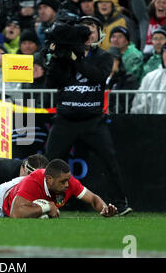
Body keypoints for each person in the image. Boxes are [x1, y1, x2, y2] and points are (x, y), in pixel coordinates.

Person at [44, 15, 132, 216]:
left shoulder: (104, 57)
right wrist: (57, 57)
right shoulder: (63, 56)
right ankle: (45, 202)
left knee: (110, 160)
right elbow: (51, 83)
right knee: (50, 163)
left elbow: (97, 76)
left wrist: (75, 58)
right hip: (65, 119)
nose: (88, 31)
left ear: (99, 34)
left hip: (93, 121)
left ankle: (120, 203)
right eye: (84, 28)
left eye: (92, 27)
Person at [0, 159, 118, 218]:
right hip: (1, 200)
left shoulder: (69, 181)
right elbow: (15, 214)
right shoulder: (34, 180)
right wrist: (47, 207)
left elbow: (93, 199)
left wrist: (105, 209)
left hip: (23, 194)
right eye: (63, 182)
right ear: (49, 179)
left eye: (67, 181)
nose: (67, 185)